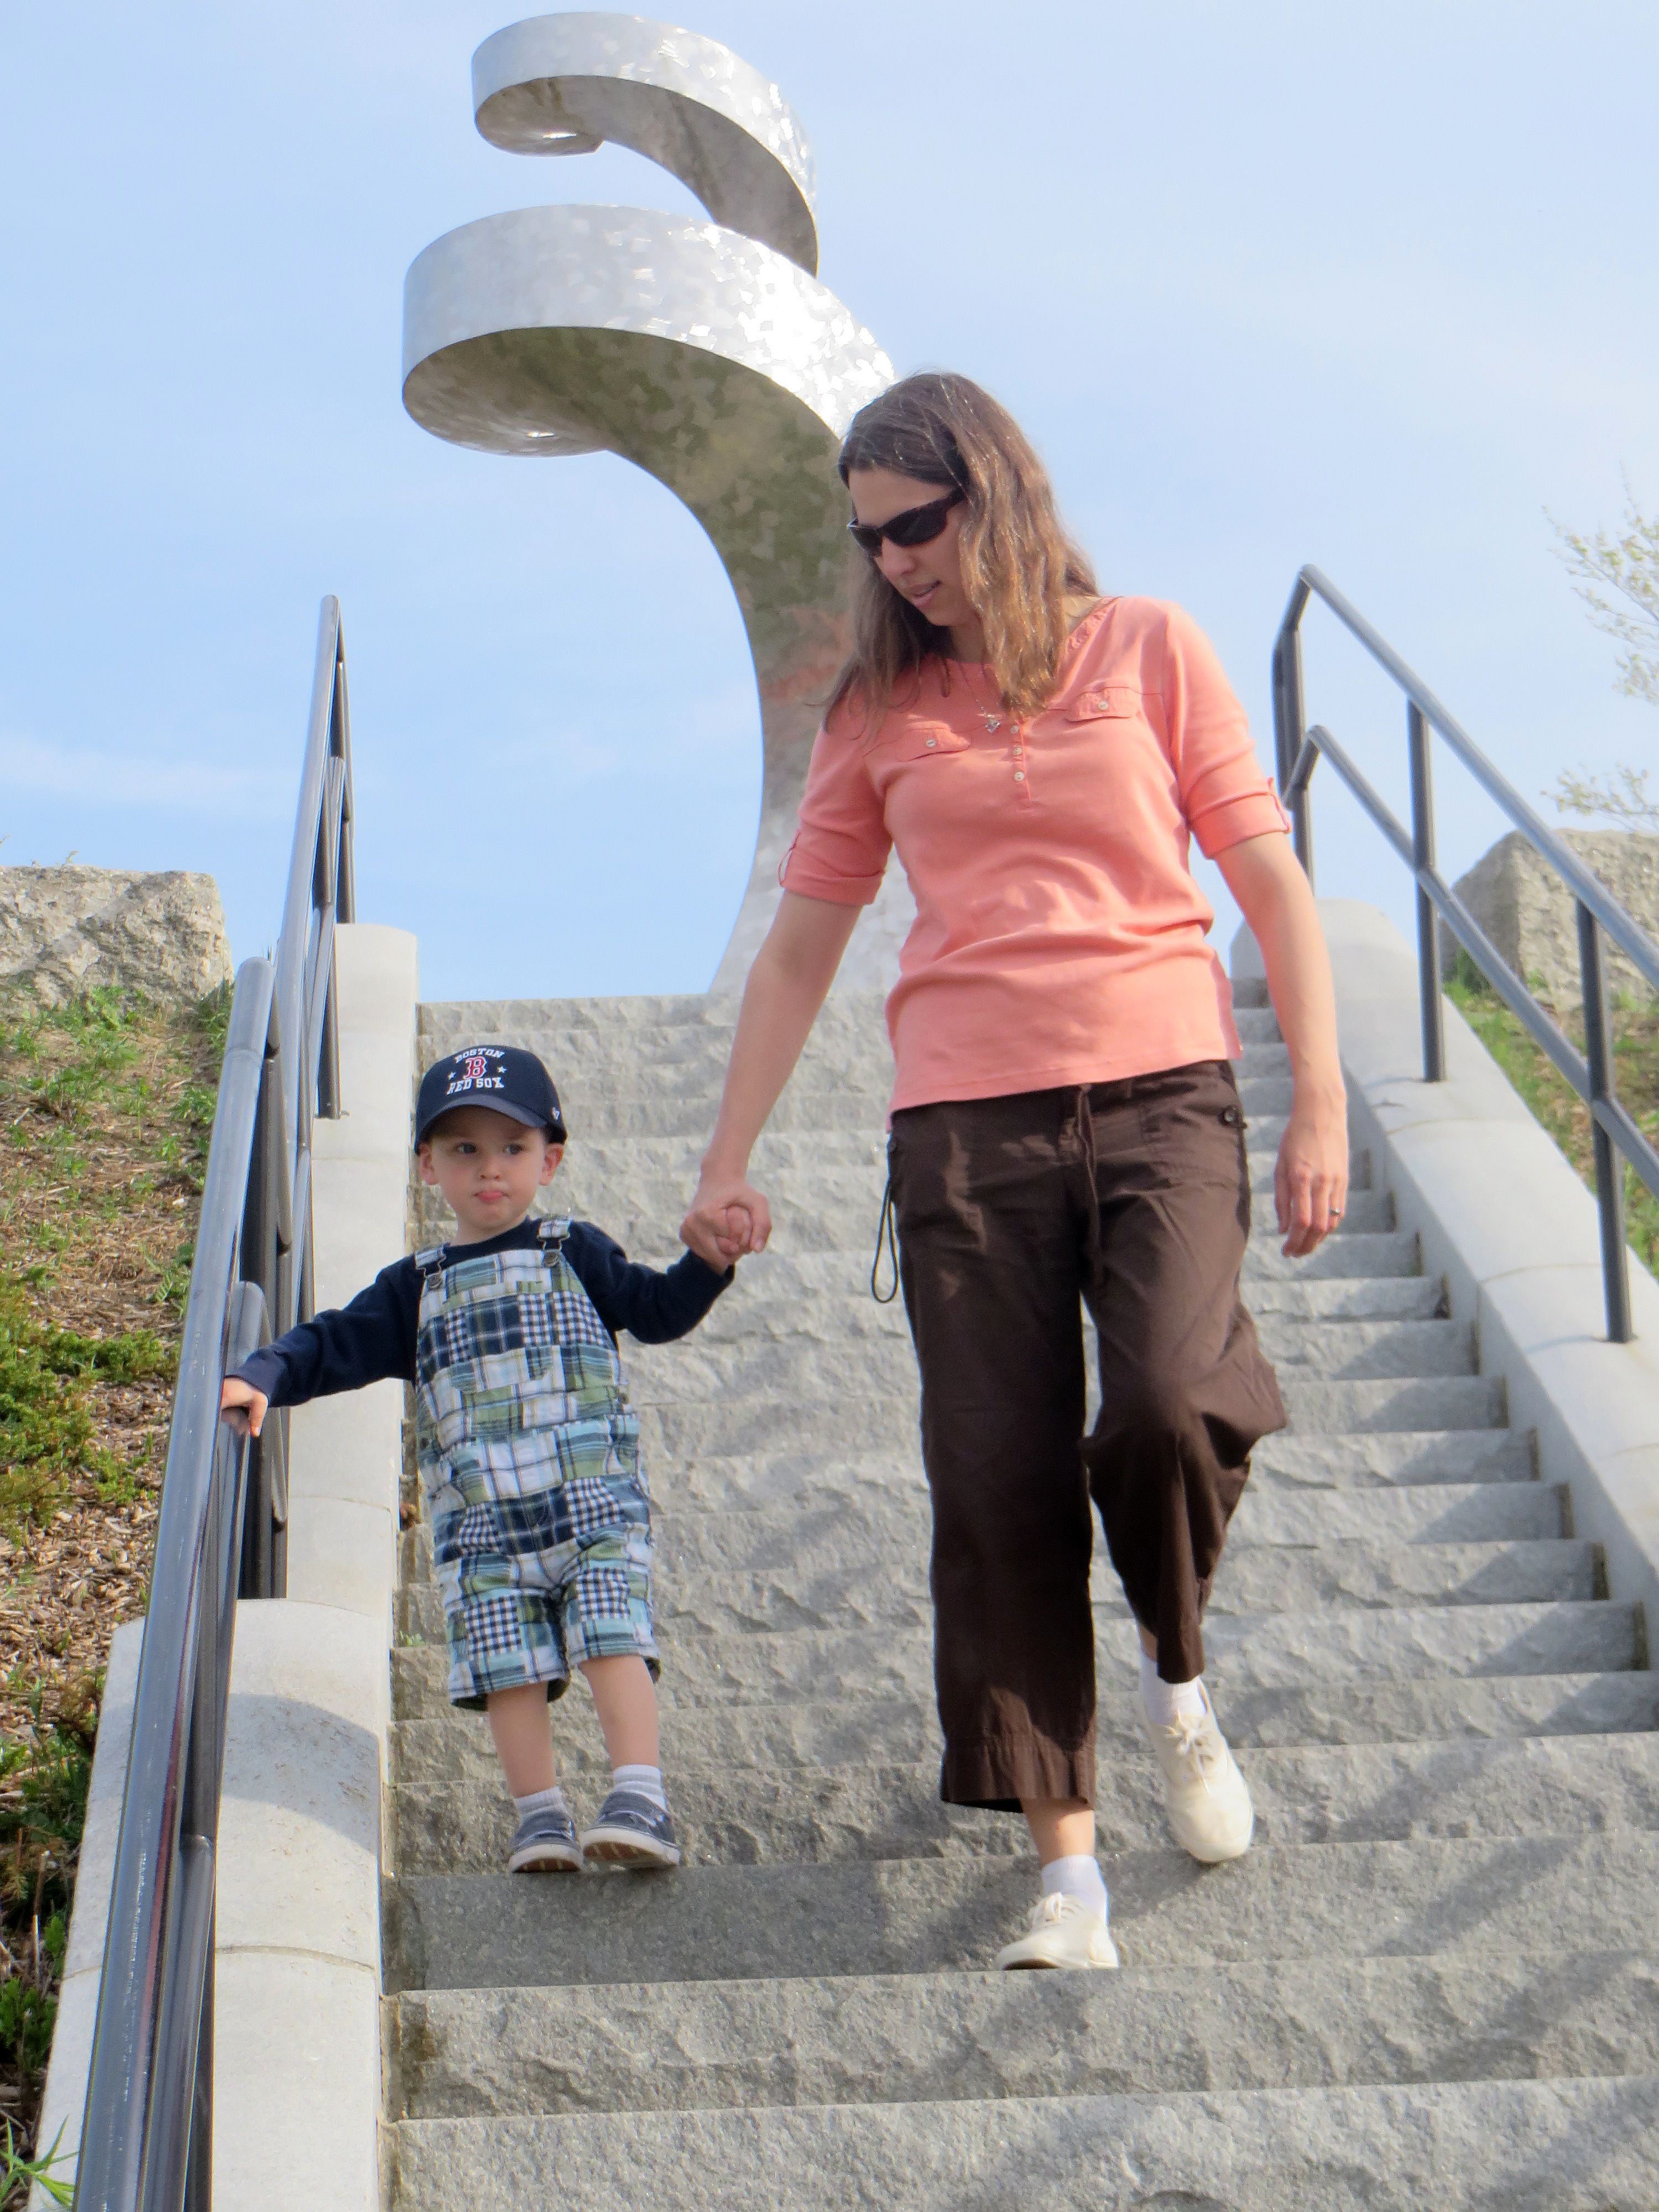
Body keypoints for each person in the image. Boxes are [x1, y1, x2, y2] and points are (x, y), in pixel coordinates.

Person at [680, 372, 1348, 1971]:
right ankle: (1071, 1873)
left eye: (918, 522)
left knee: (1169, 1404)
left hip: (1166, 1094)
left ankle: (1177, 1679)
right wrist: (726, 1156)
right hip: (966, 1129)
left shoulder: (1149, 648)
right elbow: (800, 950)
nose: (896, 558)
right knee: (995, 1478)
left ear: (997, 490)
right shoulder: (877, 710)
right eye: (870, 536)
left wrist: (1319, 1100)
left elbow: (1268, 878)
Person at [221, 1043, 735, 1875]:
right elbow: (336, 1341)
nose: (490, 1169)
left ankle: (640, 1795)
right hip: (484, 1529)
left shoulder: (575, 1250)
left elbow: (655, 1310)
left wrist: (709, 1262)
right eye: (464, 1148)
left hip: (593, 1509)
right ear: (427, 1164)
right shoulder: (414, 1287)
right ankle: (540, 1817)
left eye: (512, 1148)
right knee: (508, 1672)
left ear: (550, 1160)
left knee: (612, 1636)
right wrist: (266, 1373)